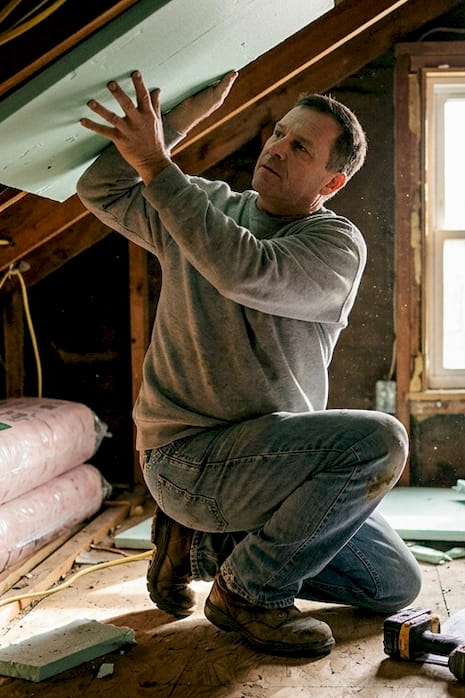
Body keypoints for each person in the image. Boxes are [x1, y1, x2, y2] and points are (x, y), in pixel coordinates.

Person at [75, 69, 421, 658]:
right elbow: (100, 186)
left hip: (270, 467)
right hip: (187, 458)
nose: (277, 148)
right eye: (279, 134)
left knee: (394, 584)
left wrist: (159, 166)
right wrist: (177, 122)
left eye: (301, 147)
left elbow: (246, 270)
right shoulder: (205, 205)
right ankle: (249, 593)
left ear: (332, 182)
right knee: (380, 441)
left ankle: (199, 547)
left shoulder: (335, 247)